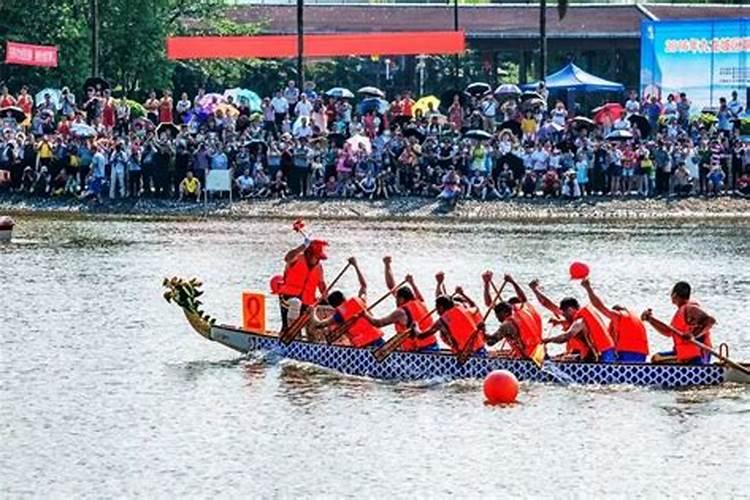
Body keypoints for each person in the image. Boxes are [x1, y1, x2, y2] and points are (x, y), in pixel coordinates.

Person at [357, 256, 438, 352]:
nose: (396, 301)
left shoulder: (400, 312)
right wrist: (387, 265)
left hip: (419, 352)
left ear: (402, 299)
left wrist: (364, 314)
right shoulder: (420, 302)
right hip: (434, 346)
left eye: (397, 299)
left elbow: (378, 323)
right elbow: (392, 287)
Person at [316, 257, 385, 348]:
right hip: (379, 340)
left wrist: (311, 312)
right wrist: (356, 266)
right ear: (344, 298)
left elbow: (320, 324)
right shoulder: (359, 300)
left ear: (334, 306)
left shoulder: (338, 315)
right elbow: (364, 286)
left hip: (363, 346)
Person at [641, 281, 714, 365]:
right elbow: (668, 332)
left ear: (674, 295)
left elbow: (710, 321)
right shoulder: (681, 312)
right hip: (685, 355)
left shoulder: (689, 308)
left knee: (657, 359)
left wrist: (693, 335)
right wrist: (650, 320)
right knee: (656, 357)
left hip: (697, 357)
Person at [580, 278, 649, 362]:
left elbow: (600, 307)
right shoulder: (634, 318)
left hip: (628, 354)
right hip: (641, 356)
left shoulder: (619, 315)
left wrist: (588, 288)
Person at [542, 296, 617, 363]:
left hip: (605, 356)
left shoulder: (580, 321)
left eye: (564, 313)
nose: (564, 316)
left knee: (564, 360)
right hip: (607, 352)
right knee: (565, 357)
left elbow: (567, 336)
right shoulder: (583, 317)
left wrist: (548, 340)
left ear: (570, 310)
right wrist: (559, 322)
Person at [276, 238, 328, 330]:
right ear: (308, 253)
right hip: (288, 298)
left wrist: (325, 297)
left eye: (319, 258)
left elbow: (321, 284)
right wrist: (303, 246)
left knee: (316, 320)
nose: (318, 260)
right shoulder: (296, 258)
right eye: (316, 257)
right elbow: (287, 258)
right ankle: (291, 331)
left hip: (307, 302)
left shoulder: (319, 267)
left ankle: (313, 339)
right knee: (296, 303)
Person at [409, 295, 485, 356]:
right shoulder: (464, 309)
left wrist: (415, 327)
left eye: (437, 308)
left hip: (466, 356)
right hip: (481, 351)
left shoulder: (441, 321)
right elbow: (475, 308)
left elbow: (421, 336)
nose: (437, 312)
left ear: (441, 307)